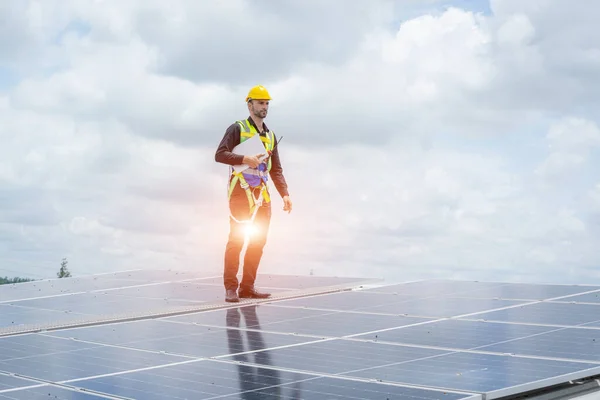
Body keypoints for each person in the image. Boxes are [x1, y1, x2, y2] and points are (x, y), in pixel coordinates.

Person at [214, 85, 292, 303]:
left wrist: (284, 194)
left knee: (258, 242)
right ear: (250, 105)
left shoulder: (271, 136)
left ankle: (247, 287)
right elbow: (219, 155)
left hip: (262, 197)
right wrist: (243, 159)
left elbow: (276, 169)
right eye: (260, 103)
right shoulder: (236, 129)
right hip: (240, 194)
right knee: (236, 240)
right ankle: (231, 287)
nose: (264, 107)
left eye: (266, 103)